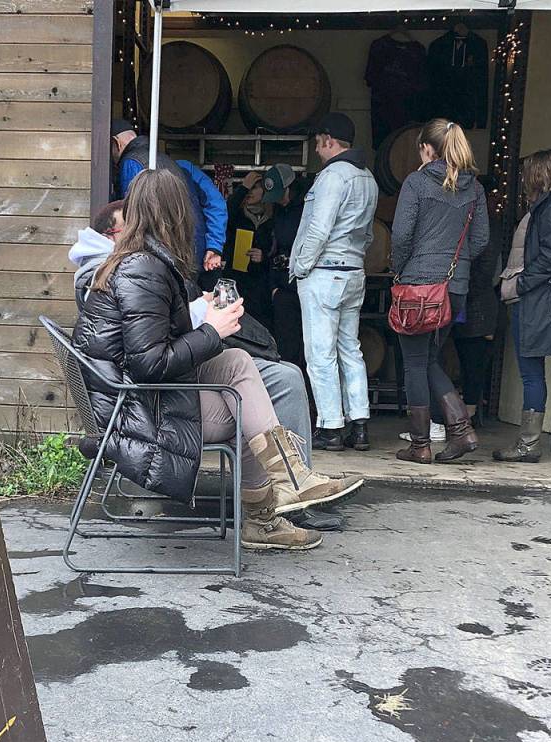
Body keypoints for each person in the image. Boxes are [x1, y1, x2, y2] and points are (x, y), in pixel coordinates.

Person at [72, 170, 360, 552]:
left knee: (238, 362)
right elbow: (149, 364)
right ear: (176, 213)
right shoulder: (143, 270)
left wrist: (201, 317)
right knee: (246, 404)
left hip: (138, 399)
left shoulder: (139, 262)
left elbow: (151, 344)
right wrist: (212, 330)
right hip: (138, 412)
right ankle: (264, 516)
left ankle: (289, 479)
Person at [69, 200, 317, 468]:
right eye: (130, 231)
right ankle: (280, 489)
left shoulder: (121, 270)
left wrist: (198, 308)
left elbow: (149, 332)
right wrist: (209, 327)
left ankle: (287, 484)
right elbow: (149, 360)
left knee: (263, 370)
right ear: (111, 236)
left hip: (156, 387)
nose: (140, 236)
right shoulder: (115, 275)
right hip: (142, 404)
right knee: (254, 400)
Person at [390, 118, 489, 464]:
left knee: (415, 363)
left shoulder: (416, 183)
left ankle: (421, 445)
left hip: (418, 286)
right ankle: (461, 431)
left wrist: (400, 270)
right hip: (454, 288)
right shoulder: (474, 188)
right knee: (430, 358)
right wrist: (456, 265)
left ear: (428, 149)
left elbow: (401, 236)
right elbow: (480, 240)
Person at [290, 113, 379, 453]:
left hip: (324, 273)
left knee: (320, 355)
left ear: (328, 140)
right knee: (350, 350)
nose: (316, 151)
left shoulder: (332, 177)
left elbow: (318, 229)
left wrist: (300, 267)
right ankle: (360, 425)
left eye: (317, 144)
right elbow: (369, 234)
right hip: (353, 272)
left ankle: (330, 427)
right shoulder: (367, 178)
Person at [494, 149, 551, 463]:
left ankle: (528, 445)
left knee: (531, 374)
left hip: (537, 301)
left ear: (538, 175)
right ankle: (527, 443)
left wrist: (521, 284)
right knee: (532, 373)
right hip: (542, 300)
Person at [110, 119, 227, 276]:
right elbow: (216, 202)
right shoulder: (178, 165)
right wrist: (214, 245)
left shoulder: (131, 162)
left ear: (116, 143)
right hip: (191, 253)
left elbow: (132, 218)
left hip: (160, 259)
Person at [452, 175, 502, 428]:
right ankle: (463, 418)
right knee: (466, 361)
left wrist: (461, 288)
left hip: (477, 305)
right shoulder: (481, 223)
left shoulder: (487, 227)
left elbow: (486, 271)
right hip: (471, 303)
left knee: (473, 364)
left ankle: (467, 419)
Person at [261, 163, 314, 388]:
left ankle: (311, 403)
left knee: (309, 348)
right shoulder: (279, 212)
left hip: (306, 285)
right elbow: (275, 249)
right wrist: (274, 286)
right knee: (286, 346)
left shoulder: (308, 208)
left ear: (289, 187)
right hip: (283, 288)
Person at [223, 170, 275, 327]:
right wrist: (243, 187)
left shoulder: (273, 218)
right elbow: (225, 212)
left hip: (262, 286)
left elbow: (281, 251)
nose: (250, 193)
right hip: (237, 282)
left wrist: (264, 257)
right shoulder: (238, 215)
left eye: (255, 188)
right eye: (249, 189)